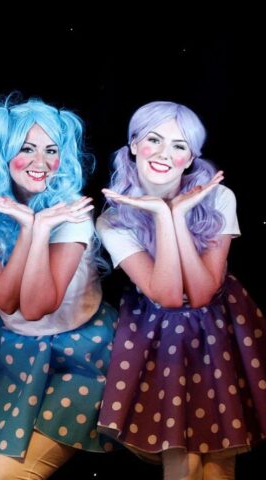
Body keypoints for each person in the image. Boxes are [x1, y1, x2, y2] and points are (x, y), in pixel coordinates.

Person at [0, 95, 118, 479]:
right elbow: (4, 299)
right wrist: (28, 229)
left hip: (80, 354)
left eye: (51, 150)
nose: (40, 162)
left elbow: (37, 305)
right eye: (27, 148)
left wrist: (41, 230)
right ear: (3, 153)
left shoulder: (73, 213)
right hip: (16, 349)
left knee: (8, 475)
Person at [96, 101, 266, 479]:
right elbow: (169, 297)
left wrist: (178, 215)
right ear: (134, 144)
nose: (163, 153)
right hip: (158, 330)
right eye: (154, 140)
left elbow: (202, 294)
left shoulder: (220, 197)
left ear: (190, 158)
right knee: (181, 460)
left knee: (221, 457)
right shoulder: (112, 219)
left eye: (178, 145)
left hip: (220, 324)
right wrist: (162, 215)